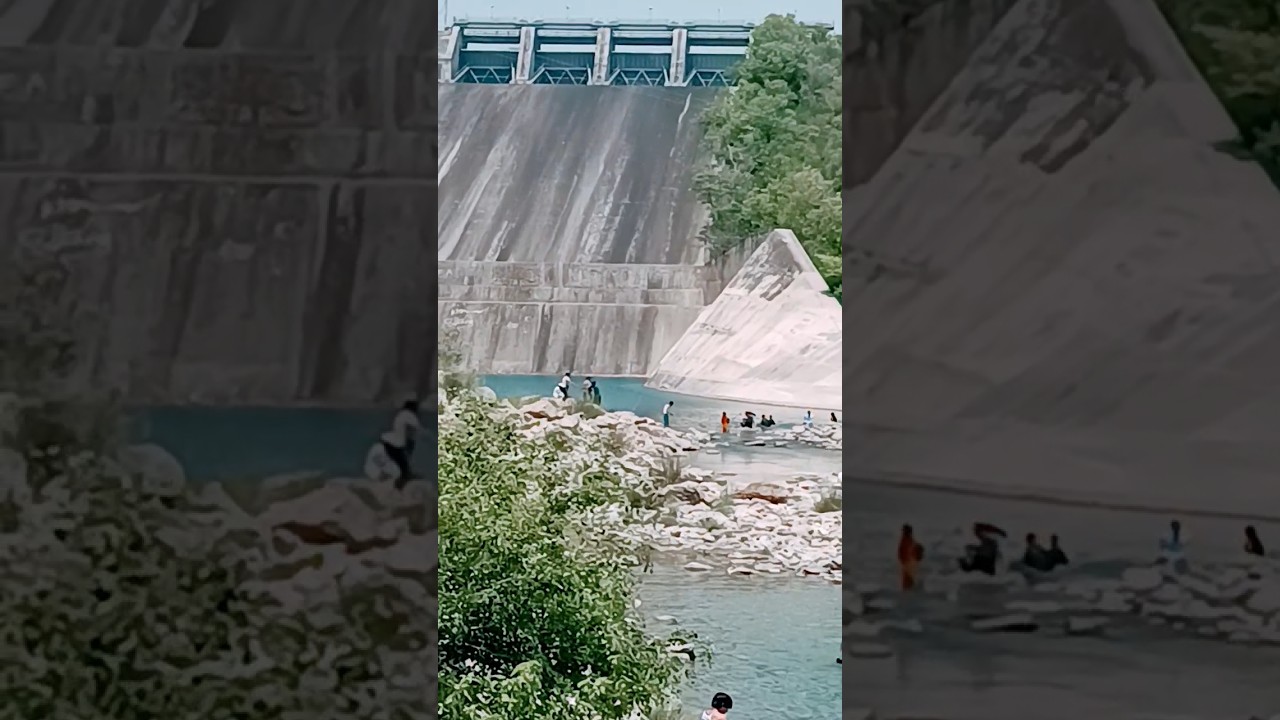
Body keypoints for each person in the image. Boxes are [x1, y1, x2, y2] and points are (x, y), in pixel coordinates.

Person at [380, 397, 421, 484]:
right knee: (403, 463)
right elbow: (416, 427)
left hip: (389, 441)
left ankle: (403, 475)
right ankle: (403, 479)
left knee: (402, 463)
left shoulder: (402, 414)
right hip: (396, 443)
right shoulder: (409, 414)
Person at [898, 524, 925, 590]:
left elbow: (903, 552)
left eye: (904, 531)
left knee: (908, 581)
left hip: (909, 563)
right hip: (909, 563)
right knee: (908, 580)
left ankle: (909, 592)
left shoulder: (907, 540)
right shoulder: (907, 540)